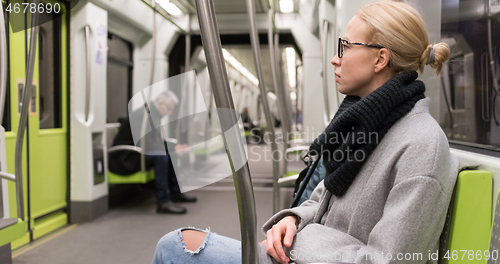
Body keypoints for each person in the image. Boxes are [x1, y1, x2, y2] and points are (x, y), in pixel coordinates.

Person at [151, 0, 458, 263]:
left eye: (346, 47)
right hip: (308, 253)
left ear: (380, 58)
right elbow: (324, 197)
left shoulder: (421, 147)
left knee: (174, 247)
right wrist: (296, 218)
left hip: (307, 255)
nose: (335, 58)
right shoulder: (367, 123)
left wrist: (303, 241)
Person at [109, 90, 196, 214]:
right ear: (160, 102)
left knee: (169, 154)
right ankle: (163, 202)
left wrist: (175, 147)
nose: (169, 112)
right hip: (126, 158)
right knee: (162, 157)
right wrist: (173, 148)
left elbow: (155, 141)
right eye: (169, 109)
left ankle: (175, 193)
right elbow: (145, 143)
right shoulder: (142, 115)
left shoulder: (152, 114)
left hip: (137, 153)